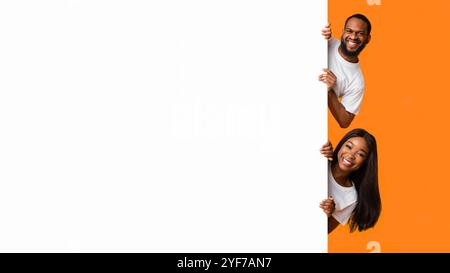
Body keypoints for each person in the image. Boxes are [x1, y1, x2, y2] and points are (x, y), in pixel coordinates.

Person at [319, 128, 381, 233]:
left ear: (365, 162)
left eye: (360, 154)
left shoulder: (351, 198)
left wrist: (327, 214)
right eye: (348, 147)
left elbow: (324, 233)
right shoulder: (323, 158)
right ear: (341, 145)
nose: (351, 155)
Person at [319, 14, 372, 128]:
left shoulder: (357, 82)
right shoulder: (325, 41)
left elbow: (344, 121)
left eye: (360, 33)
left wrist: (330, 91)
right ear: (343, 31)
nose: (353, 37)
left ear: (368, 39)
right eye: (349, 31)